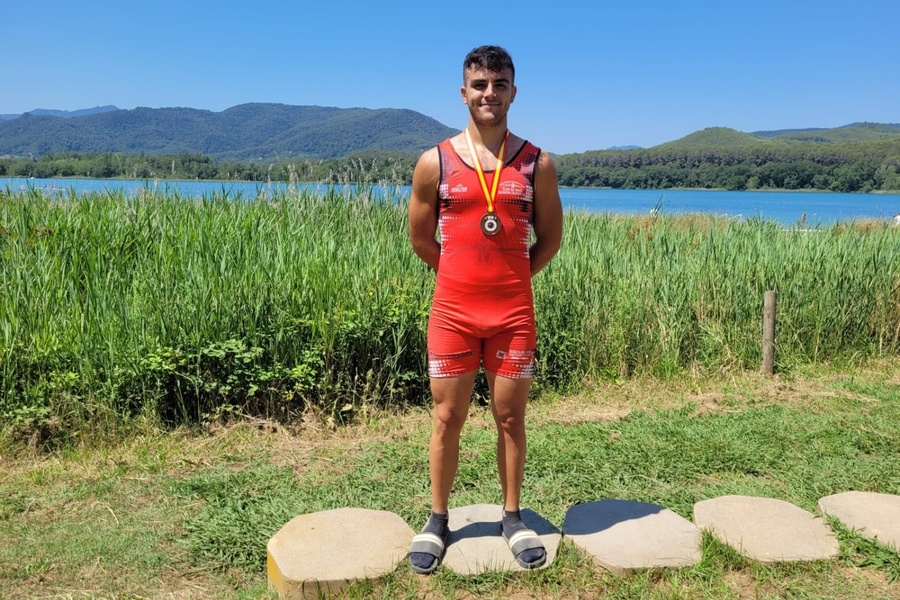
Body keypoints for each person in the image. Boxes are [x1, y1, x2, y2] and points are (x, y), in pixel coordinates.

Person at [407, 45, 563, 574]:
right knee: (447, 417)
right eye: (479, 85)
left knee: (511, 417)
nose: (489, 94)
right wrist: (463, 279)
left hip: (514, 315)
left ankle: (513, 518)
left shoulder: (537, 162)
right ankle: (437, 519)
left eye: (499, 84)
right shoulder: (435, 161)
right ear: (464, 92)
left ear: (513, 92)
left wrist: (508, 280)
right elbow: (422, 239)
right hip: (451, 313)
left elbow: (550, 240)